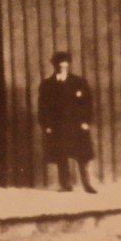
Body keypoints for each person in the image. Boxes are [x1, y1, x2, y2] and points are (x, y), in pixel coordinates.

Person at [38, 51, 97, 194]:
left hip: (77, 124)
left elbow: (87, 103)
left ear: (68, 64)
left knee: (83, 155)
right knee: (61, 155)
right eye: (59, 63)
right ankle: (65, 185)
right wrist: (46, 126)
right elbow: (42, 107)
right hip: (58, 125)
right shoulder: (47, 84)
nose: (62, 66)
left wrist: (86, 122)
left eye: (64, 62)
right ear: (54, 65)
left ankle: (88, 184)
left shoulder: (79, 82)